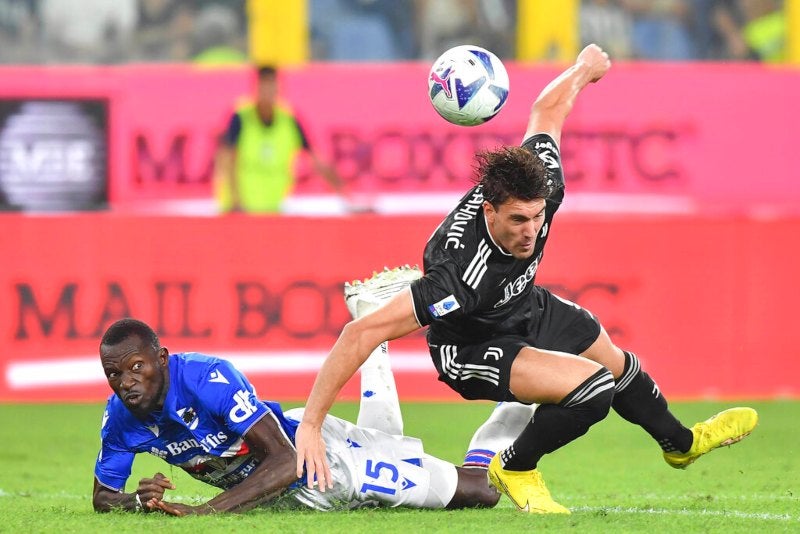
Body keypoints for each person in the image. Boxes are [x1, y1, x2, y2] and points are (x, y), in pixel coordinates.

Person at [294, 43, 759, 514]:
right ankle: (514, 466)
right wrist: (311, 425)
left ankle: (681, 443)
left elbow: (547, 109)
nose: (532, 232)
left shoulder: (542, 183)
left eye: (537, 217)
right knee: (592, 389)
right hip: (470, 346)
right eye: (518, 220)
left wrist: (583, 69)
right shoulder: (458, 277)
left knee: (616, 362)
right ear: (489, 209)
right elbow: (360, 333)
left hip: (522, 305)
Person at [92, 271, 517, 515]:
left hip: (322, 462)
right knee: (386, 446)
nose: (126, 382)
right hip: (278, 489)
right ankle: (375, 341)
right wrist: (137, 502)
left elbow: (289, 460)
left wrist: (206, 512)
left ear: (161, 359)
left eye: (136, 368)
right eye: (114, 374)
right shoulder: (120, 419)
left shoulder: (207, 379)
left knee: (481, 492)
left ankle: (515, 403)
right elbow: (103, 498)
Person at [214, 65, 345, 214]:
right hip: (241, 209)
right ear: (256, 88)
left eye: (272, 86)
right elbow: (226, 160)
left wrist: (343, 193)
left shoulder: (288, 119)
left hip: (273, 208)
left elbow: (315, 159)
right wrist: (236, 201)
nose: (268, 93)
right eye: (265, 87)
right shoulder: (241, 117)